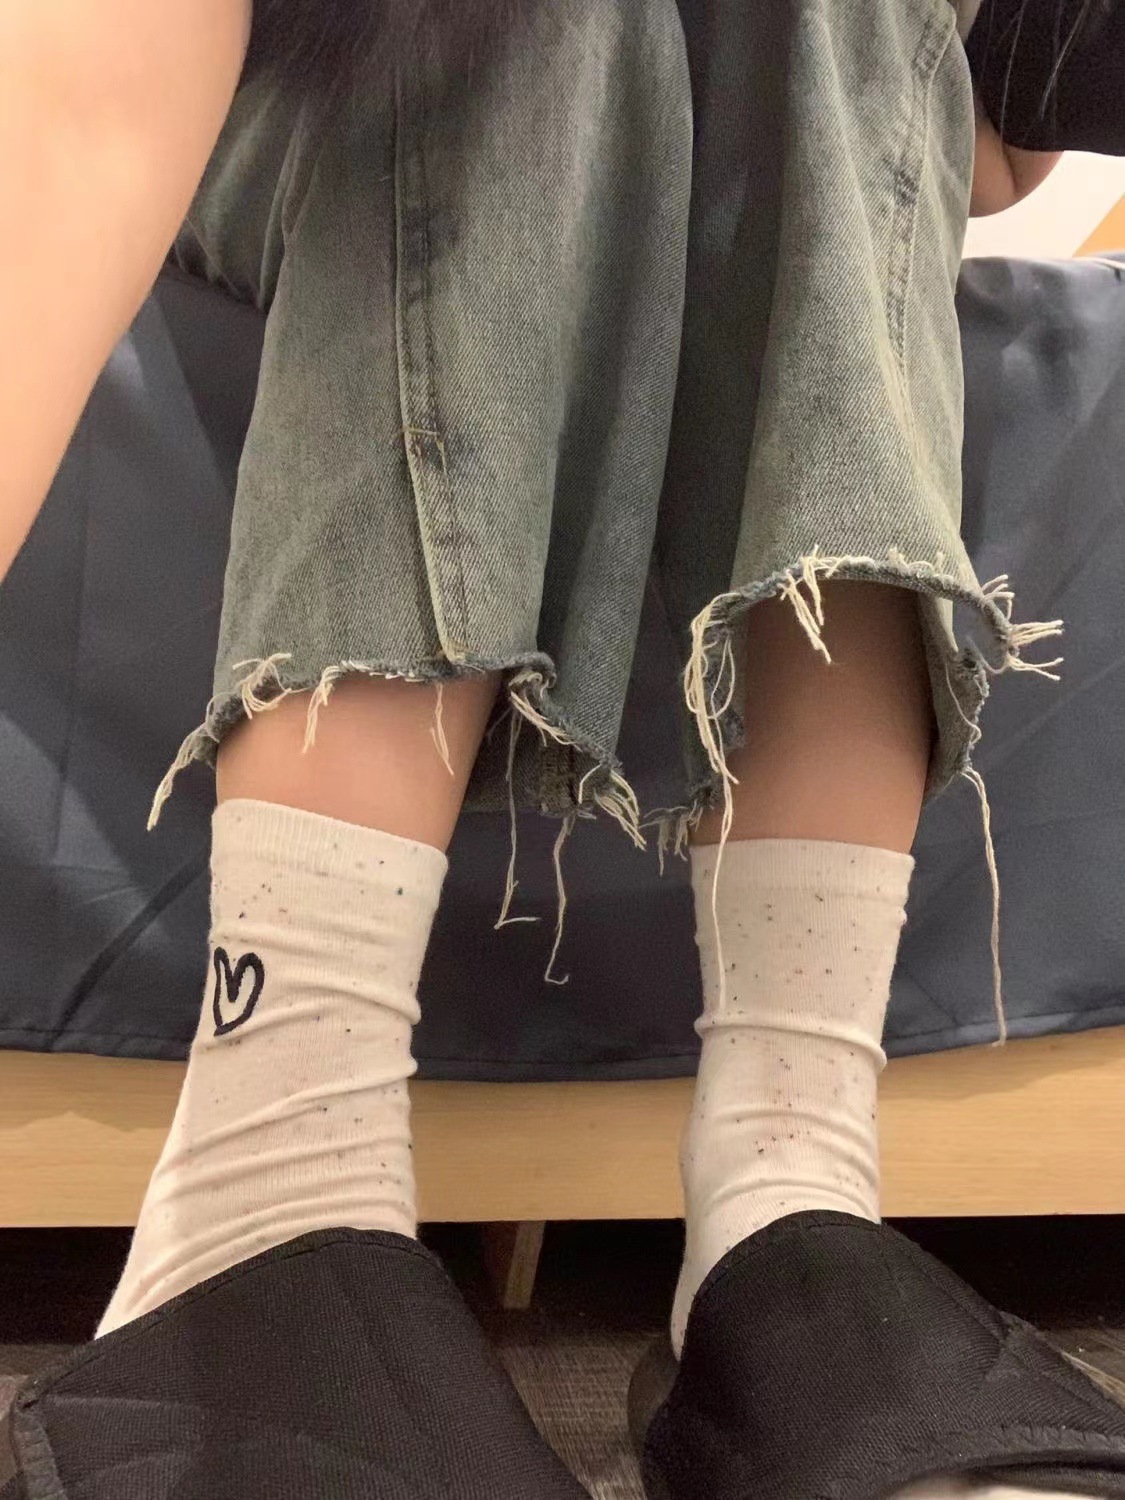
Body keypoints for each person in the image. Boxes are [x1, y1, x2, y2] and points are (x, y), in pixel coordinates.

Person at [2, 1, 1125, 1497]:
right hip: (312, 105)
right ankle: (269, 1166)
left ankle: (790, 1175)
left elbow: (982, 160)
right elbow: (89, 108)